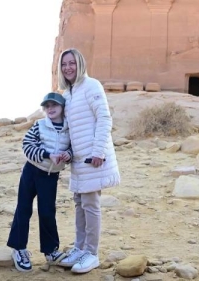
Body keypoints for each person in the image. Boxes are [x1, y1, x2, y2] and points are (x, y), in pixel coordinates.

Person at [56, 48, 121, 274]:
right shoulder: (67, 94)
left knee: (91, 205)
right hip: (78, 159)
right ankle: (80, 248)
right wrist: (67, 153)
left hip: (94, 158)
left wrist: (98, 151)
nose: (68, 68)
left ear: (80, 64)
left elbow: (104, 118)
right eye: (64, 64)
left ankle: (91, 254)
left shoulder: (92, 85)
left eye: (72, 63)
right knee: (79, 203)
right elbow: (69, 129)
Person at [7, 92, 73, 272]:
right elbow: (27, 146)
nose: (50, 109)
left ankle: (51, 251)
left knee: (47, 212)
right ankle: (18, 248)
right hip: (31, 172)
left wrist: (68, 155)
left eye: (55, 106)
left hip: (50, 177)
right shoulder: (39, 125)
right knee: (23, 208)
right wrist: (47, 154)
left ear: (62, 108)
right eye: (47, 106)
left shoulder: (69, 129)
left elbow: (72, 149)